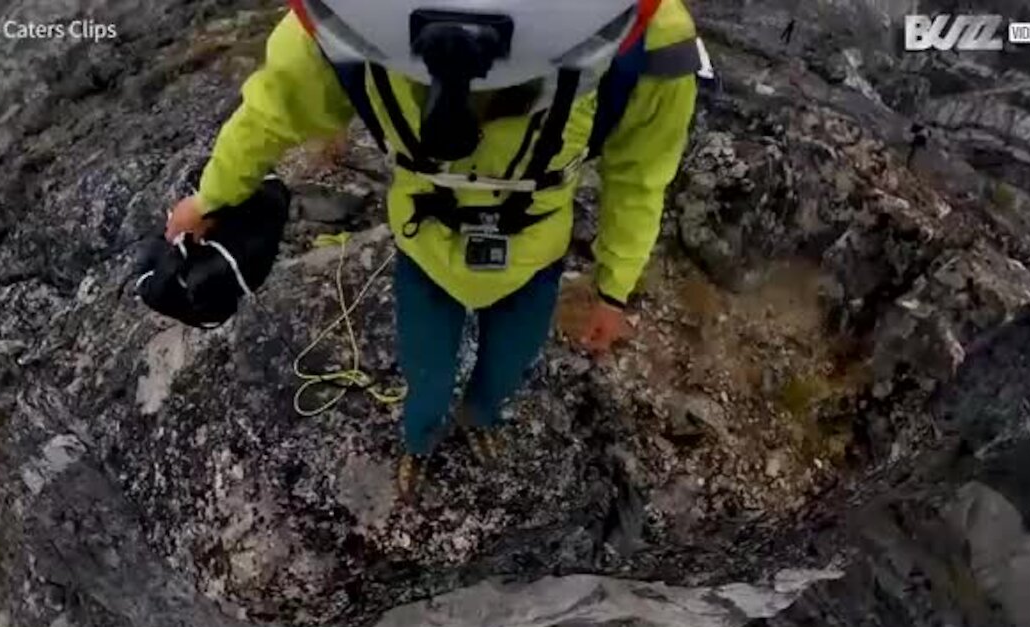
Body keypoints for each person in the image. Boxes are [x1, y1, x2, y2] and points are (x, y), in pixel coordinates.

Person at [166, 0, 701, 497]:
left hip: (528, 258)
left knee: (503, 373)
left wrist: (614, 290)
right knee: (427, 382)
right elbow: (272, 111)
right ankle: (421, 441)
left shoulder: (650, 41)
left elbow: (639, 178)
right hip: (433, 251)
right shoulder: (645, 33)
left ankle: (480, 420)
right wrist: (215, 194)